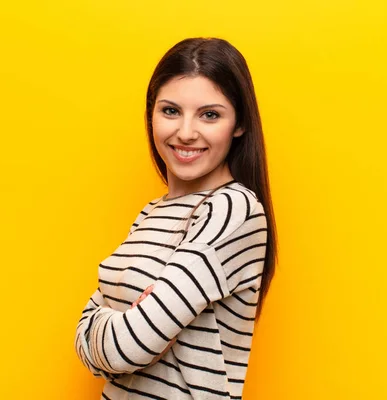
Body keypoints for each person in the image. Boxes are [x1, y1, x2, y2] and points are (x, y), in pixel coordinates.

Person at [75, 37, 278, 399]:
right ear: (151, 113)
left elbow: (127, 347)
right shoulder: (151, 213)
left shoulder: (233, 209)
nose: (185, 132)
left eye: (210, 114)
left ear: (239, 124)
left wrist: (112, 322)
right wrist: (121, 324)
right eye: (170, 111)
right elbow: (85, 338)